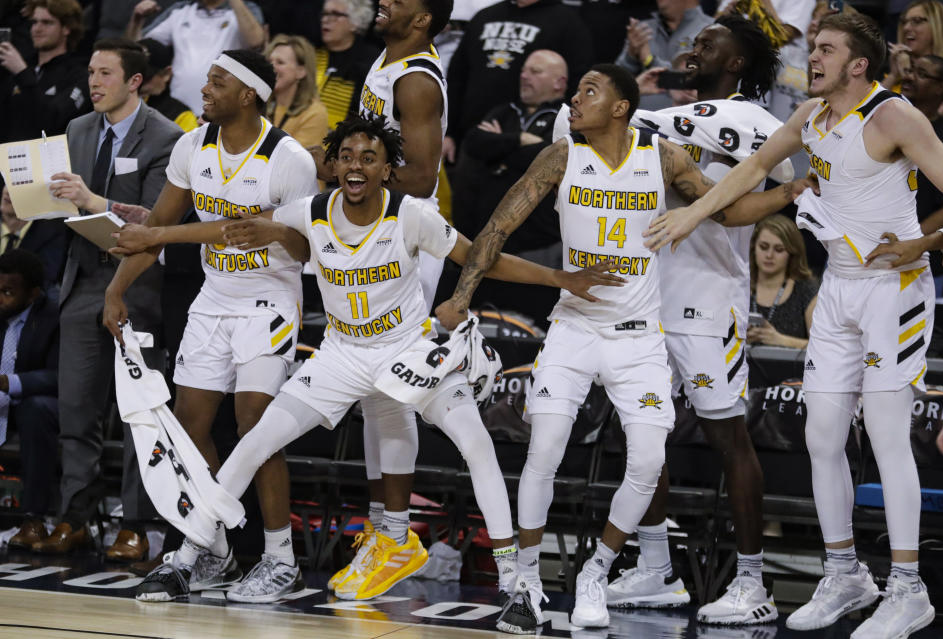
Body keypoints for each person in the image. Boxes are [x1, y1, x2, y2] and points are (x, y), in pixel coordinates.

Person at [116, 112, 618, 606]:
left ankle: (515, 580)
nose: (357, 165)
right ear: (333, 166)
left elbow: (479, 256)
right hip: (342, 353)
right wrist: (159, 235)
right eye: (347, 156)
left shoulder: (412, 215)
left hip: (408, 349)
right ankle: (187, 557)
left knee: (476, 444)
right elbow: (228, 229)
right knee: (255, 442)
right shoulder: (309, 211)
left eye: (370, 158)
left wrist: (559, 278)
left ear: (387, 170)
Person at [436, 63, 810, 633]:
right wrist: (462, 296)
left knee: (649, 461)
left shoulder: (662, 158)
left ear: (620, 108)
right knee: (546, 447)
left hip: (638, 338)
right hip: (575, 327)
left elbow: (726, 210)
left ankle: (598, 568)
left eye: (590, 90)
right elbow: (495, 230)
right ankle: (528, 582)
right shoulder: (562, 155)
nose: (575, 99)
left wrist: (788, 190)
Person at [644, 13, 943, 638]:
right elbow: (747, 172)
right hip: (839, 287)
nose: (811, 58)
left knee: (888, 435)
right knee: (822, 436)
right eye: (811, 47)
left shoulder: (892, 116)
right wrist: (693, 214)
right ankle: (845, 573)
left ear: (858, 64)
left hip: (892, 288)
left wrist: (937, 240)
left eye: (825, 50)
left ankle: (908, 587)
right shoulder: (809, 118)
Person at [589, 17, 795, 625]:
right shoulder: (668, 115)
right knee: (643, 438)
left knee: (727, 436)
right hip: (649, 296)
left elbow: (781, 179)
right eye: (693, 38)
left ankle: (753, 583)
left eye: (710, 42)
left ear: (737, 63)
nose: (693, 47)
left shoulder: (757, 123)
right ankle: (656, 571)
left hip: (710, 304)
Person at [102, 48, 319, 602]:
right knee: (189, 424)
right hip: (213, 297)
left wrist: (271, 232)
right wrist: (116, 288)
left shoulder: (288, 158)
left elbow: (303, 244)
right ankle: (215, 546)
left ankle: (279, 558)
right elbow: (159, 226)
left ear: (248, 94)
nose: (205, 90)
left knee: (256, 425)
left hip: (270, 299)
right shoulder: (191, 145)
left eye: (217, 82)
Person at [325, 0, 455, 603]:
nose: (384, 3)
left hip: (409, 236)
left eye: (400, 0)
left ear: (424, 18)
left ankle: (396, 534)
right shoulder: (385, 60)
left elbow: (425, 174)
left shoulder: (415, 77)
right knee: (374, 392)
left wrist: (349, 178)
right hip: (379, 229)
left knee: (389, 385)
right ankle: (384, 532)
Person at [34, 38, 181, 562]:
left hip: (138, 287)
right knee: (76, 412)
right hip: (81, 283)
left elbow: (157, 220)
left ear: (135, 81)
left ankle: (137, 525)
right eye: (91, 72)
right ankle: (75, 519)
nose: (93, 82)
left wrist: (92, 201)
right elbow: (65, 205)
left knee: (139, 413)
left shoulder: (167, 138)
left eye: (104, 74)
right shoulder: (78, 129)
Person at [448, 49, 567, 325]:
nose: (524, 76)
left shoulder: (563, 119)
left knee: (531, 327)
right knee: (483, 323)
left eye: (535, 72)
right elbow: (475, 143)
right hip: (489, 242)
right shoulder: (504, 111)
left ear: (559, 83)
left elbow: (552, 158)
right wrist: (518, 141)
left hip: (538, 247)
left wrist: (500, 149)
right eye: (524, 70)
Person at [443, 0, 595, 163]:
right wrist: (448, 132)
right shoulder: (485, 16)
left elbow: (579, 84)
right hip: (473, 139)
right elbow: (456, 79)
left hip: (533, 142)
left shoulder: (568, 22)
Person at [0, 250, 59, 552]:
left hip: (36, 409)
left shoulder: (54, 316)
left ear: (33, 293)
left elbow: (61, 376)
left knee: (35, 411)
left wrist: (9, 383)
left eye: (8, 292)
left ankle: (34, 519)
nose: (0, 298)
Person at [127, 0, 266, 114]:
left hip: (223, 111)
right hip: (178, 111)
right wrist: (136, 20)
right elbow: (136, 50)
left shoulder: (245, 8)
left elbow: (256, 41)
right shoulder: (180, 10)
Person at [900, 54, 943, 294]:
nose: (910, 76)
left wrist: (913, 242)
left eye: (921, 74)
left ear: (941, 88)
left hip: (922, 261)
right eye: (911, 69)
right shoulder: (884, 118)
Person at [0, 0, 89, 143]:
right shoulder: (17, 69)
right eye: (34, 22)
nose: (37, 29)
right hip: (7, 160)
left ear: (66, 28)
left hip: (50, 161)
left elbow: (53, 120)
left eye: (47, 23)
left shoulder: (79, 75)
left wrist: (23, 75)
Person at [614, 0, 712, 110]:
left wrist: (650, 60)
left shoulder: (712, 30)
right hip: (640, 120)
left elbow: (696, 77)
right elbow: (615, 82)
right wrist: (630, 56)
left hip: (687, 119)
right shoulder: (643, 29)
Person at [748, 214, 819, 349]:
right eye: (763, 247)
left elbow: (822, 347)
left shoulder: (806, 289)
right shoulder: (740, 285)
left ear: (792, 252)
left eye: (779, 249)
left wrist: (780, 340)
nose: (769, 255)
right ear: (753, 248)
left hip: (791, 369)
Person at [314, 0, 379, 131]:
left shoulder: (370, 62)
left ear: (356, 22)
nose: (325, 20)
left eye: (335, 14)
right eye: (325, 14)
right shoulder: (313, 53)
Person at [265, 34, 328, 149]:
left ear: (301, 71)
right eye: (269, 61)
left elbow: (296, 162)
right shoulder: (259, 104)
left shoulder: (315, 113)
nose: (270, 67)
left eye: (280, 62)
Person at [882, 0, 943, 93]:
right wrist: (893, 75)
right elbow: (869, 106)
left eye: (917, 21)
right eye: (904, 22)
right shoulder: (892, 69)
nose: (906, 28)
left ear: (936, 26)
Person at [0, 184, 67, 287]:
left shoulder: (51, 234)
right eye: (7, 182)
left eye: (18, 186)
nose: (8, 192)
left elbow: (45, 284)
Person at [138, 37, 198, 132]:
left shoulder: (181, 115)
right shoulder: (116, 103)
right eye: (131, 74)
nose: (137, 81)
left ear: (166, 74)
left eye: (146, 77)